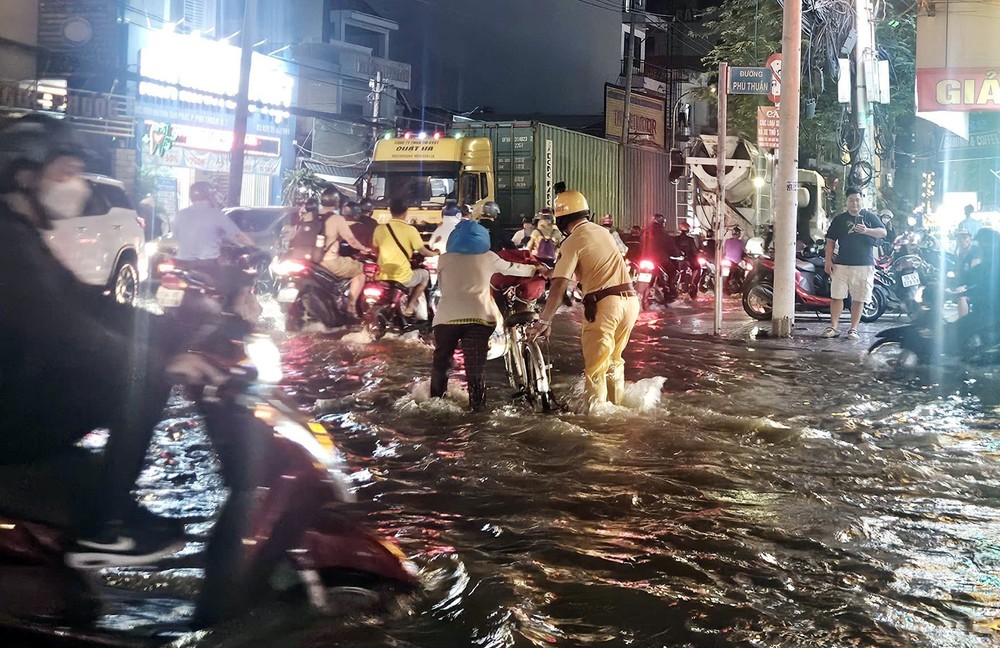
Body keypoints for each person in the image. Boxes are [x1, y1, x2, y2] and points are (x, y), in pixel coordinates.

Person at [0, 115, 220, 565]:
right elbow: (61, 326)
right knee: (142, 378)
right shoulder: (6, 242)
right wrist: (154, 362)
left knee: (143, 363)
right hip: (9, 410)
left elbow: (87, 303)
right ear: (24, 176)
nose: (77, 185)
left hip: (17, 389)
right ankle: (104, 529)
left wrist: (176, 326)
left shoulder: (22, 235)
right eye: (66, 172)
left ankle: (107, 507)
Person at [527, 190, 640, 413]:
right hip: (630, 301)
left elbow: (559, 284)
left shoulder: (572, 242)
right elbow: (591, 265)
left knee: (596, 369)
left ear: (561, 220)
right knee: (615, 361)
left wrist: (545, 321)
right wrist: (553, 272)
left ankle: (598, 423)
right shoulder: (604, 232)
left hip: (606, 305)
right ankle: (617, 409)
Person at [432, 219, 541, 411]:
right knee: (475, 369)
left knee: (441, 363)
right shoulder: (489, 257)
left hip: (446, 319)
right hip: (479, 319)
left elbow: (441, 286)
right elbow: (516, 269)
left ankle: (435, 403)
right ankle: (478, 410)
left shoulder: (444, 259)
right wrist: (537, 269)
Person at [173, 181, 259, 319]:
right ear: (210, 196)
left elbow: (176, 237)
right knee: (242, 277)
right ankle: (234, 315)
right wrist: (254, 246)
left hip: (181, 265)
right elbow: (238, 236)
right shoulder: (216, 215)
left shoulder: (180, 214)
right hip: (207, 266)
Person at [821, 186, 886, 340]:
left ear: (861, 200)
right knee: (837, 296)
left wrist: (866, 231)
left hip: (864, 264)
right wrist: (828, 261)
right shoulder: (839, 219)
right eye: (851, 200)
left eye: (857, 200)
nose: (855, 203)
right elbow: (830, 241)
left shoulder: (869, 217)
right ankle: (834, 327)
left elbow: (883, 232)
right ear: (847, 201)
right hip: (842, 264)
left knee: (859, 297)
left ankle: (853, 329)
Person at [372, 198, 439, 318]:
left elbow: (375, 249)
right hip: (402, 276)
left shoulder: (379, 229)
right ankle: (410, 306)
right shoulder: (410, 230)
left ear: (390, 211)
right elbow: (423, 251)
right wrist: (435, 253)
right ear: (405, 212)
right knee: (424, 274)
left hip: (382, 274)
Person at [318, 187, 371, 319]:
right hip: (329, 261)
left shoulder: (313, 215)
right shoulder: (337, 219)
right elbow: (351, 241)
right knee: (361, 271)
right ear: (336, 203)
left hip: (312, 261)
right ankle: (351, 307)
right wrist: (364, 249)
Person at [642, 213, 681, 296]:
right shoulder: (663, 234)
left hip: (644, 259)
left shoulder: (645, 232)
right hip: (660, 260)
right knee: (673, 271)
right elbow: (672, 247)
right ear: (662, 223)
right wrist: (677, 254)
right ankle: (670, 290)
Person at [953, 228, 975, 317]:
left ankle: (963, 323)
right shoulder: (960, 256)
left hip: (977, 286)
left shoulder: (975, 254)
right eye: (959, 238)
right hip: (965, 285)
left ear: (970, 239)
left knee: (961, 296)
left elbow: (977, 275)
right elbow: (959, 274)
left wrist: (965, 287)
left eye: (965, 237)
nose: (962, 240)